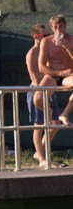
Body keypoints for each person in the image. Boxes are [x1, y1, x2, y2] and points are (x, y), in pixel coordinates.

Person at [26, 24, 60, 168]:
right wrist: (41, 93)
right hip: (38, 90)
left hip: (49, 90)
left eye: (48, 35)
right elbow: (34, 77)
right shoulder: (32, 53)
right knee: (39, 125)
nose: (47, 38)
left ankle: (39, 151)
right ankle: (41, 158)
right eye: (44, 36)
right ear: (36, 37)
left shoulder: (46, 51)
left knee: (55, 124)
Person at [37, 15, 73, 125]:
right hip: (53, 74)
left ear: (65, 26)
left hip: (69, 74)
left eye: (61, 26)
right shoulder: (46, 41)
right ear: (52, 28)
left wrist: (67, 47)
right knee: (37, 99)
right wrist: (58, 73)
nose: (58, 29)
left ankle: (64, 114)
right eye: (55, 27)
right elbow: (41, 67)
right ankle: (49, 113)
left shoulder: (71, 40)